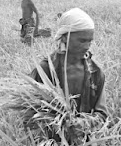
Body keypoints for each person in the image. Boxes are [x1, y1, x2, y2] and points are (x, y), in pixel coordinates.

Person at [30, 8, 107, 143]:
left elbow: (102, 114)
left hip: (84, 140)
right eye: (82, 41)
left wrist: (83, 123)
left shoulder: (95, 72)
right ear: (65, 37)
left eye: (90, 41)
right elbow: (30, 114)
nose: (87, 46)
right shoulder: (46, 70)